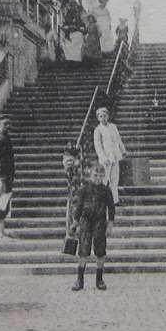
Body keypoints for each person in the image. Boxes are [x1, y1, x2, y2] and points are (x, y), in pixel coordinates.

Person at [69, 162, 116, 291]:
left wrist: (110, 225)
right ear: (91, 174)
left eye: (100, 175)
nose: (98, 178)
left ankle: (99, 280)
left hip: (100, 222)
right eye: (95, 175)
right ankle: (79, 280)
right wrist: (75, 222)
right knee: (83, 250)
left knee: (100, 251)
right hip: (86, 221)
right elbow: (78, 207)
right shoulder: (84, 189)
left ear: (103, 176)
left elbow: (111, 208)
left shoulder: (106, 190)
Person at [92, 106, 128, 205]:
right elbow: (98, 146)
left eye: (105, 116)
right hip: (106, 158)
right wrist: (104, 158)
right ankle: (102, 200)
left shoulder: (113, 127)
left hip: (115, 156)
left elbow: (118, 139)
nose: (103, 118)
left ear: (108, 116)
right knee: (104, 179)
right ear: (98, 118)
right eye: (101, 116)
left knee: (114, 179)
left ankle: (115, 200)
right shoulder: (98, 130)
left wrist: (123, 150)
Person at [0, 116, 16, 239]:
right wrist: (1, 178)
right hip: (2, 176)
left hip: (6, 175)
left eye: (9, 124)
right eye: (5, 124)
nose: (7, 126)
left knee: (3, 203)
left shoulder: (5, 138)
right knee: (1, 202)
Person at [61, 142, 84, 244]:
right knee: (72, 212)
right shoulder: (69, 162)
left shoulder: (74, 162)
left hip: (76, 190)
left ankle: (75, 233)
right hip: (73, 191)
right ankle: (72, 233)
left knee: (76, 211)